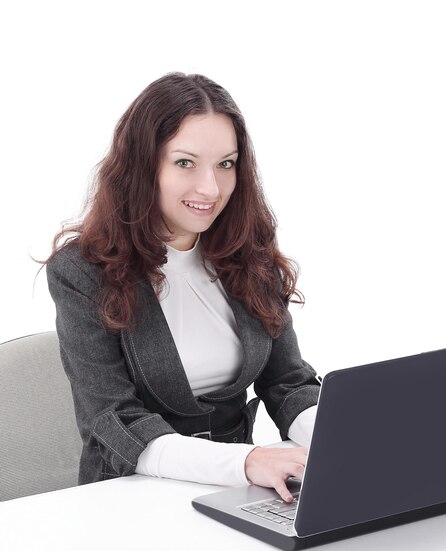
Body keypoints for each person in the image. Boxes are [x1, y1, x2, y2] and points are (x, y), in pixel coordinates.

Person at [43, 72, 320, 503]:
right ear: (142, 165)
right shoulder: (82, 271)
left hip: (239, 491)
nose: (210, 189)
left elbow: (288, 383)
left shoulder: (248, 253)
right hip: (127, 496)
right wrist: (244, 462)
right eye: (185, 162)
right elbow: (117, 420)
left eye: (225, 164)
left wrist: (338, 438)